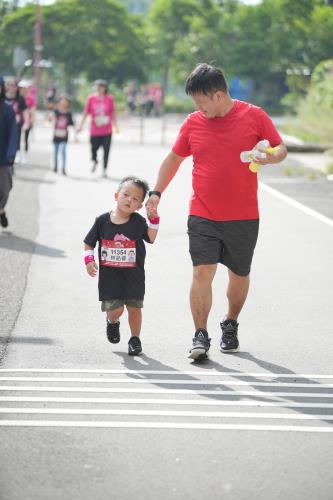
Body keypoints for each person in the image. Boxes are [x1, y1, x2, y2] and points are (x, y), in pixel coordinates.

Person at [146, 63, 287, 361]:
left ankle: (230, 323)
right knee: (201, 272)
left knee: (239, 275)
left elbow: (280, 148)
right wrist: (157, 192)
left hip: (244, 215)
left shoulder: (254, 116)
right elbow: (173, 159)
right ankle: (200, 333)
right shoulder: (193, 123)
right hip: (203, 212)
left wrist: (270, 157)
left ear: (219, 95)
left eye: (201, 102)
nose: (198, 108)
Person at [83, 176, 160, 355]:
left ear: (140, 205)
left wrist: (154, 219)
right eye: (126, 195)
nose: (129, 200)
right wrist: (89, 260)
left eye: (135, 199)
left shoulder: (139, 222)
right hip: (110, 277)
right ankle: (112, 322)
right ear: (116, 195)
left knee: (135, 309)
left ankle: (135, 339)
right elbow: (89, 243)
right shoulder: (102, 221)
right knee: (115, 310)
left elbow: (151, 237)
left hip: (134, 275)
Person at [77, 79, 118, 178]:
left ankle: (104, 169)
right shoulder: (91, 98)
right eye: (97, 87)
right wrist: (80, 125)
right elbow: (86, 112)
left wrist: (116, 126)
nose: (99, 89)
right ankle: (94, 160)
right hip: (95, 130)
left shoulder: (109, 99)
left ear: (105, 88)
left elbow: (112, 113)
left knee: (106, 150)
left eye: (101, 87)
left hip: (107, 130)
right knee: (93, 148)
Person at [0, 75, 18, 228]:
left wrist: (11, 154)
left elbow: (13, 134)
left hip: (3, 158)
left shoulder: (7, 109)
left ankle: (1, 209)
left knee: (5, 190)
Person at [5, 78, 29, 165]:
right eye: (10, 85)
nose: (12, 88)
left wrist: (26, 122)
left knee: (16, 139)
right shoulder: (3, 97)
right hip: (4, 124)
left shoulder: (20, 99)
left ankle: (16, 155)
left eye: (14, 86)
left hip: (16, 124)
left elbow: (25, 111)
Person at [50, 95, 74, 175]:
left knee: (63, 151)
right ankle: (55, 166)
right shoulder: (56, 111)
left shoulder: (68, 113)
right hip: (56, 134)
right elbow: (50, 118)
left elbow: (72, 123)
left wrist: (77, 131)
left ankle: (63, 168)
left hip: (64, 135)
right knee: (55, 151)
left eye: (65, 101)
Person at [18, 80, 36, 158]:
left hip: (27, 121)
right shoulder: (17, 97)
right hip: (18, 120)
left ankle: (25, 154)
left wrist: (31, 120)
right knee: (17, 137)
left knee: (26, 138)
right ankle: (18, 153)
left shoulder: (30, 98)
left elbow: (32, 110)